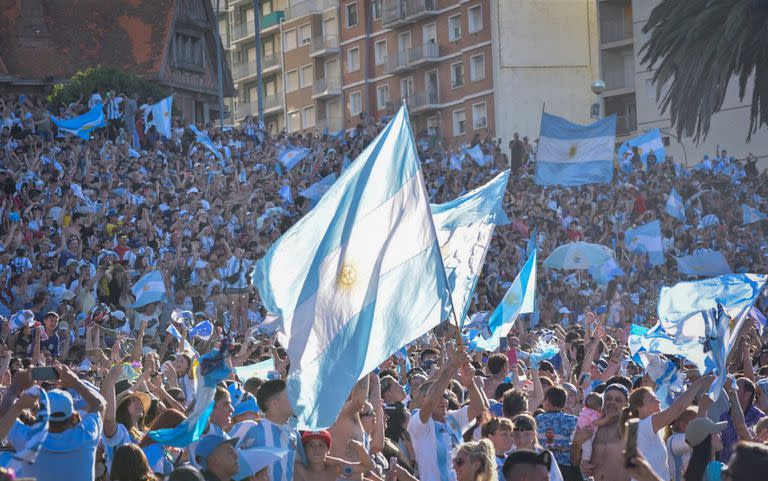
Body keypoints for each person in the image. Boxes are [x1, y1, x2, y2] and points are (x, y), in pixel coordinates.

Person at [0, 365, 106, 481]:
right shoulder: (87, 436)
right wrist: (75, 381)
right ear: (74, 416)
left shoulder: (28, 439)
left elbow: (4, 417)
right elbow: (99, 405)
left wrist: (15, 386)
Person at [407, 345, 485, 481]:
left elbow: (478, 408)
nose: (442, 400)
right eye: (438, 396)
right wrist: (451, 367)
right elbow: (431, 403)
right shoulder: (418, 423)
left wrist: (470, 383)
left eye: (445, 396)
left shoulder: (452, 419)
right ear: (423, 400)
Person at [618, 376, 714, 481]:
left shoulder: (646, 427)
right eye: (652, 399)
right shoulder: (643, 426)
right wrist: (700, 382)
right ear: (639, 408)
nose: (658, 401)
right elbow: (678, 408)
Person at [238, 379, 298, 481]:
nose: (296, 399)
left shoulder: (293, 432)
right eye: (289, 395)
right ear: (275, 403)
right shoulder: (252, 430)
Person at [293, 430, 375, 481]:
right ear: (304, 449)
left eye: (321, 445)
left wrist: (360, 448)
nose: (316, 449)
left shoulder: (336, 468)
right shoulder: (298, 468)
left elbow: (368, 467)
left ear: (328, 450)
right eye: (311, 445)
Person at [535, 386, 578, 481]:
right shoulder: (573, 420)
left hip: (543, 464)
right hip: (565, 466)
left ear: (548, 401)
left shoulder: (538, 419)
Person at [511, 414, 563, 481]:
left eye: (526, 434)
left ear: (533, 434)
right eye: (517, 434)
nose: (521, 439)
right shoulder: (507, 456)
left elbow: (556, 479)